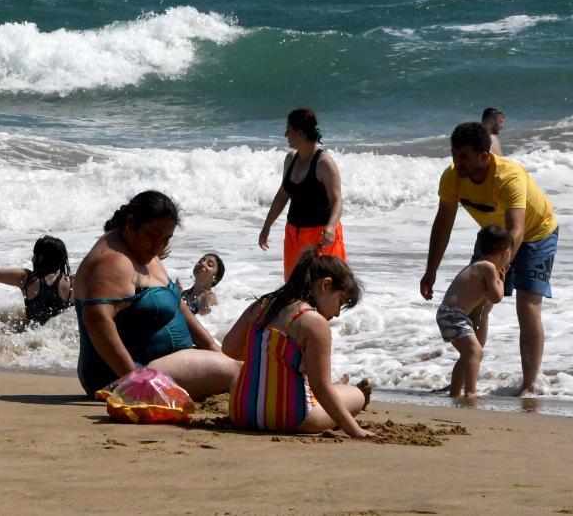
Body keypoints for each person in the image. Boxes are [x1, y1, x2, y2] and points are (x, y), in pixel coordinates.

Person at [420, 121, 558, 396]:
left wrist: (499, 271)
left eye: (464, 156)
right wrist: (430, 270)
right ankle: (467, 377)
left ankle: (528, 385)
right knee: (476, 306)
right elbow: (443, 223)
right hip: (493, 237)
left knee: (527, 306)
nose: (457, 162)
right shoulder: (452, 177)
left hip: (536, 234)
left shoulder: (509, 177)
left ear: (484, 157)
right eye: (454, 154)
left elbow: (516, 231)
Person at [73, 191, 239, 400]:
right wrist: (134, 379)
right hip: (127, 373)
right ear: (131, 223)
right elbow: (96, 319)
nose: (159, 246)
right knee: (240, 373)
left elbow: (178, 303)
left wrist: (213, 347)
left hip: (160, 363)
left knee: (243, 362)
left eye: (166, 238)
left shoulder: (141, 251)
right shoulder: (114, 262)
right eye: (153, 235)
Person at [223, 251, 371, 439]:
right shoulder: (313, 322)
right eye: (340, 302)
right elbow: (320, 388)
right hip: (292, 419)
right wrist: (355, 430)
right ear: (325, 285)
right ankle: (343, 392)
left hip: (242, 414)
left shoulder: (262, 305)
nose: (338, 314)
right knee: (355, 395)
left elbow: (229, 348)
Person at [257, 107, 346, 278]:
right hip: (294, 235)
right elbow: (283, 194)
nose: (285, 134)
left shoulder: (324, 163)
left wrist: (331, 227)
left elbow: (337, 200)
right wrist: (267, 226)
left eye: (288, 130)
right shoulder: (290, 159)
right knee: (293, 292)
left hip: (320, 237)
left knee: (322, 291)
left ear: (299, 134)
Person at [437, 224, 515, 400]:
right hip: (453, 315)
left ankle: (455, 393)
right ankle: (470, 392)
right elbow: (496, 297)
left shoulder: (478, 265)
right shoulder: (488, 268)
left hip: (449, 314)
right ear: (505, 251)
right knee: (475, 353)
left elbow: (484, 299)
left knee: (467, 355)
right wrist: (502, 280)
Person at [181, 252, 225, 316]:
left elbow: (204, 322)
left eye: (209, 264)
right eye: (201, 260)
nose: (203, 263)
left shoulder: (209, 298)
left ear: (215, 278)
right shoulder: (184, 293)